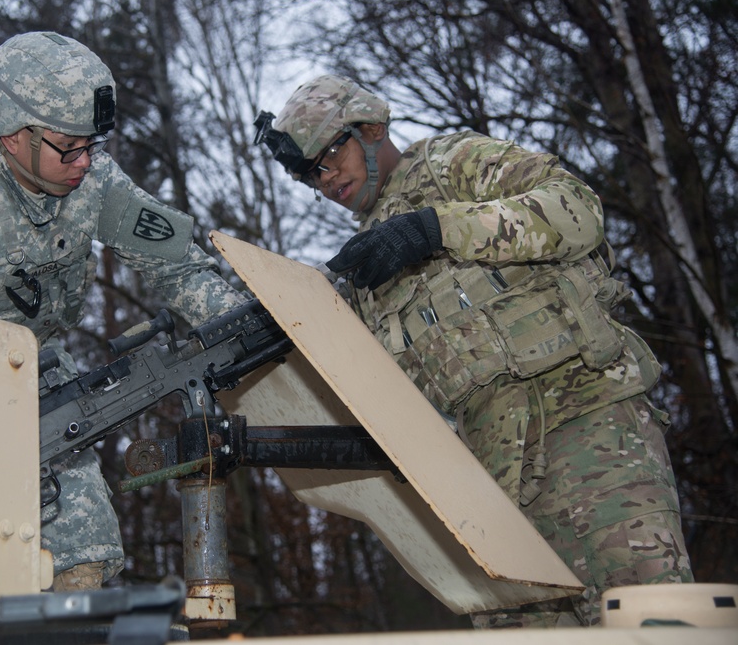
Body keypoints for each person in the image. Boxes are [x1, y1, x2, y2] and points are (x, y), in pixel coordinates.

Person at [253, 74, 693, 628]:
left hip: (583, 429)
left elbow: (576, 210)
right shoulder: (366, 267)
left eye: (329, 155)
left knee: (650, 621)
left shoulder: (450, 164)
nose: (324, 180)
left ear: (370, 129)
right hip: (487, 486)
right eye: (308, 174)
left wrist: (437, 229)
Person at [0, 32, 246, 591]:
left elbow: (177, 266)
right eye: (70, 147)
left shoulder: (92, 180)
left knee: (83, 557)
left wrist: (246, 325)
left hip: (25, 368)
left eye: (94, 145)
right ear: (13, 136)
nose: (86, 162)